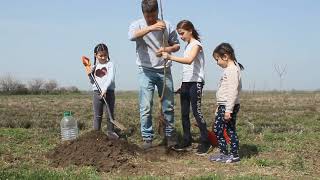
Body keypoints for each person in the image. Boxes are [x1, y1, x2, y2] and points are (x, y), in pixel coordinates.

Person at [128, 0, 180, 149]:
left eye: (152, 15)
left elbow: (176, 45)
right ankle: (147, 138)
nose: (150, 18)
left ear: (157, 12)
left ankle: (170, 136)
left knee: (168, 106)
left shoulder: (167, 25)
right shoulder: (137, 24)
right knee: (145, 106)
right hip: (145, 70)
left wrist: (166, 49)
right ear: (143, 13)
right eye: (147, 16)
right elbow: (132, 36)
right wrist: (151, 27)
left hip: (164, 70)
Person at [162, 20, 211, 155]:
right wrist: (182, 85)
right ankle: (187, 139)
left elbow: (189, 61)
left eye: (182, 33)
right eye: (179, 34)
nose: (181, 37)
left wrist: (170, 57)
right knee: (184, 114)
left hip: (196, 83)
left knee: (196, 112)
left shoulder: (196, 45)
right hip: (186, 83)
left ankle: (205, 141)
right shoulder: (187, 45)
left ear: (190, 30)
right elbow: (187, 70)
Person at [209, 43, 244, 163]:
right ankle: (224, 153)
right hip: (224, 105)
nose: (217, 63)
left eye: (217, 59)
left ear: (225, 56)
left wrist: (228, 109)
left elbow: (233, 91)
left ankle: (233, 155)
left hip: (228, 106)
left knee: (225, 130)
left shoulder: (232, 70)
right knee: (223, 129)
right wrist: (219, 107)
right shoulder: (231, 69)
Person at [90, 43, 119, 140]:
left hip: (109, 92)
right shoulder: (94, 67)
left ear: (108, 54)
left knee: (109, 114)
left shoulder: (110, 64)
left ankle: (111, 132)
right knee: (97, 115)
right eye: (100, 55)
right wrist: (90, 74)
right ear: (95, 55)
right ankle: (96, 134)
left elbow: (110, 78)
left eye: (105, 55)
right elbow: (92, 81)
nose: (103, 57)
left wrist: (105, 88)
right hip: (97, 92)